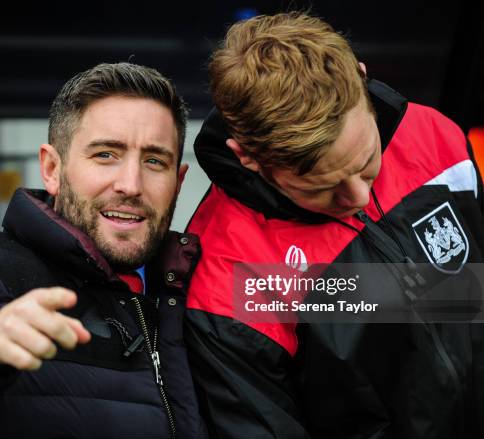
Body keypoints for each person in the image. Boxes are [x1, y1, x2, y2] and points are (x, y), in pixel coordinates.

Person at [184, 12, 484, 439]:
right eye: (322, 189)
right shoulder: (229, 280)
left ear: (362, 78)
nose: (358, 199)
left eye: (366, 164)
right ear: (248, 156)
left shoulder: (432, 133)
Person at [0, 62, 208, 439]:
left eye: (153, 161)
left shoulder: (196, 286)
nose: (130, 184)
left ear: (178, 182)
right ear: (51, 168)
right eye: (105, 155)